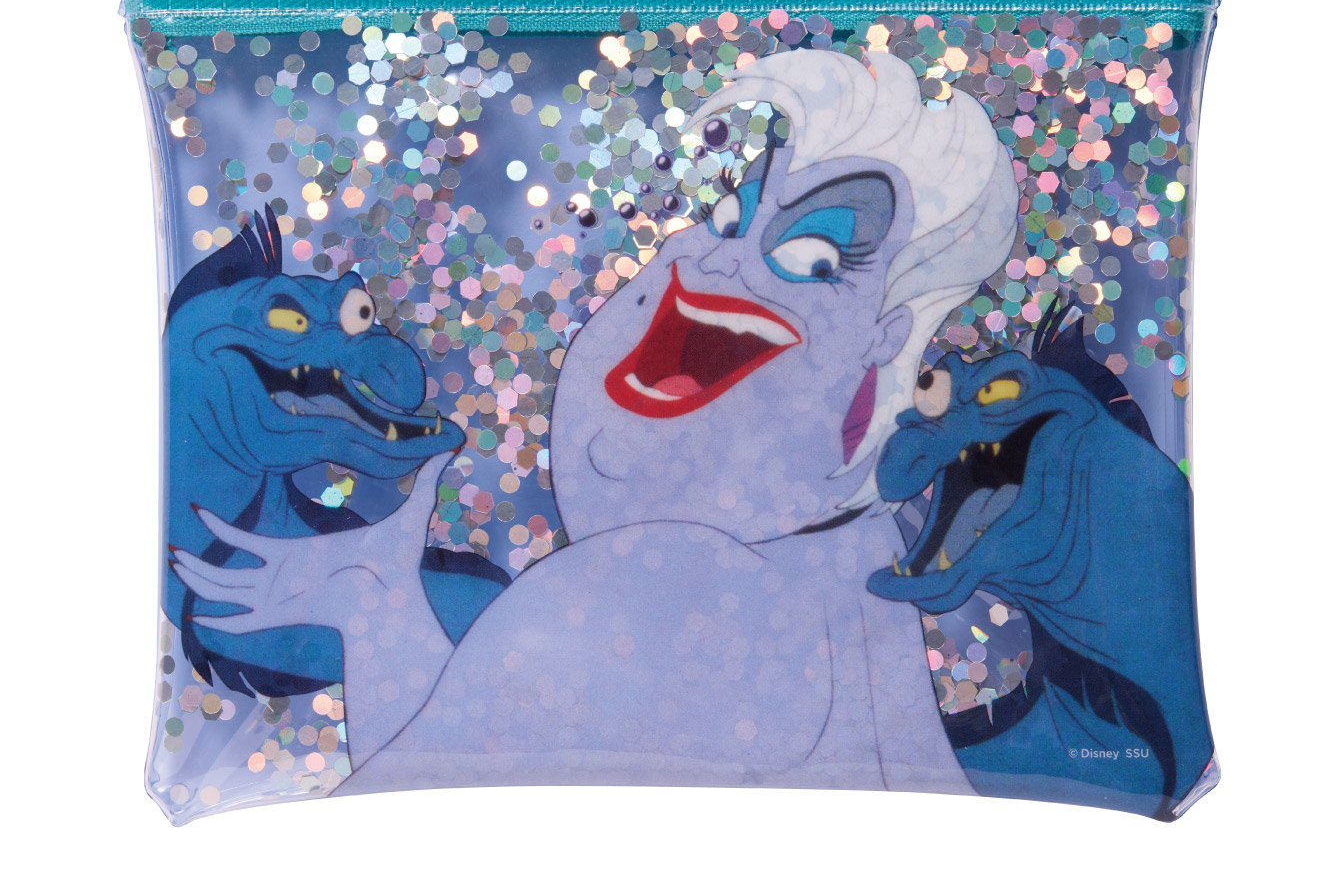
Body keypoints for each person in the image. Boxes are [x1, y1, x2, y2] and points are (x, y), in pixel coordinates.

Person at [170, 47, 1019, 795]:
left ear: (885, 344)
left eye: (813, 256)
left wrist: (374, 603)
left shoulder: (674, 574)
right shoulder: (847, 566)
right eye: (728, 216)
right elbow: (448, 756)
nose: (722, 255)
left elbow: (406, 792)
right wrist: (375, 602)